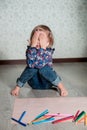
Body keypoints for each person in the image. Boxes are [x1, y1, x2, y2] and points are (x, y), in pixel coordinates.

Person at [11, 25, 68, 96]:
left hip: (47, 83)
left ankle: (61, 87)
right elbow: (30, 64)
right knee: (31, 68)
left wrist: (43, 48)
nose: (37, 41)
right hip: (34, 83)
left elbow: (40, 64)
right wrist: (32, 46)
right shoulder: (30, 50)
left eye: (41, 38)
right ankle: (18, 87)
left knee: (43, 68)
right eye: (35, 38)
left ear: (48, 42)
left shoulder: (48, 52)